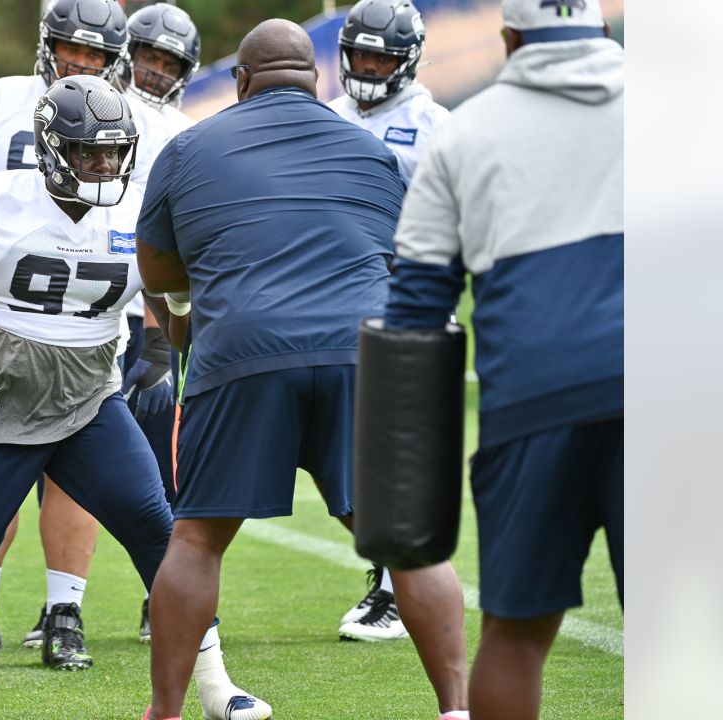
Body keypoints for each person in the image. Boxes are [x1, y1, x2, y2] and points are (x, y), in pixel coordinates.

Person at [0, 75, 269, 720]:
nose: (103, 165)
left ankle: (214, 686)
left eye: (113, 152)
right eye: (89, 152)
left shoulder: (140, 211)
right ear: (52, 148)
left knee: (159, 529)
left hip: (88, 401)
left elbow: (170, 299)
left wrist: (180, 308)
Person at [136, 19, 468, 720]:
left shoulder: (188, 145)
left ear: (242, 82)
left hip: (244, 350)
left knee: (196, 537)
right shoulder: (371, 150)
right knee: (406, 541)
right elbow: (402, 257)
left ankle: (164, 714)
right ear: (317, 81)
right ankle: (457, 710)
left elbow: (159, 267)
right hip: (363, 353)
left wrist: (184, 324)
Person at [0, 0, 190, 669]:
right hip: (0, 313)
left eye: (96, 52)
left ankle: (63, 610)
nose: (79, 61)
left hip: (100, 313)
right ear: (46, 44)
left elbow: (158, 240)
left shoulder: (144, 124)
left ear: (115, 57)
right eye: (69, 47)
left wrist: (158, 340)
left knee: (76, 474)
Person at [385, 1, 623, 717]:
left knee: (516, 634)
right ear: (603, 30)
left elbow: (415, 315)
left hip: (532, 399)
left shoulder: (464, 135)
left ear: (510, 39)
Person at [326, 0, 451, 643]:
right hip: (336, 305)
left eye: (383, 57)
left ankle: (404, 587)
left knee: (401, 451)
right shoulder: (327, 116)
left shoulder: (435, 126)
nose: (370, 67)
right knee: (355, 453)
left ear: (407, 61)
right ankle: (391, 579)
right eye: (362, 54)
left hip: (408, 299)